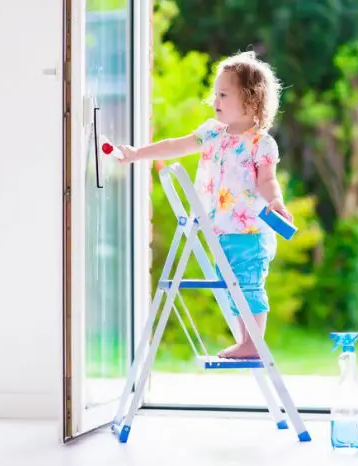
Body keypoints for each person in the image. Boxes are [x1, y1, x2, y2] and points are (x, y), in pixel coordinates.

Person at [117, 51, 292, 359]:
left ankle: (253, 343)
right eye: (215, 93)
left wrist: (276, 200)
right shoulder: (212, 132)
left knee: (247, 284)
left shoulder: (261, 143)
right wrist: (136, 153)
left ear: (251, 101)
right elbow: (176, 145)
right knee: (231, 284)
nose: (215, 100)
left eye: (223, 94)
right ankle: (246, 339)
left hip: (249, 230)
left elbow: (267, 180)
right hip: (221, 229)